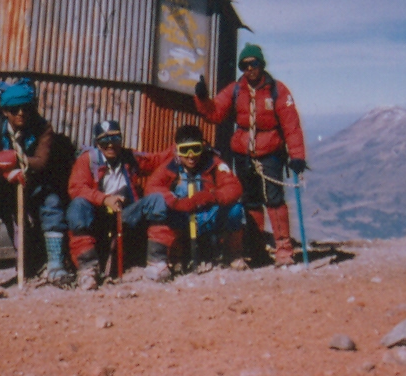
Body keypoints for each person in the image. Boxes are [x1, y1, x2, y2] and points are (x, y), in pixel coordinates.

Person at [193, 43, 308, 267]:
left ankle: (284, 250)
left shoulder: (278, 90)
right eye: (244, 65)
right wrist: (202, 99)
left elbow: (291, 125)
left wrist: (297, 156)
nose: (249, 69)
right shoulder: (236, 90)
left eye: (253, 63)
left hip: (270, 153)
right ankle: (257, 251)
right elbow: (215, 112)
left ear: (261, 64)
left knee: (274, 200)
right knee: (250, 201)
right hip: (243, 155)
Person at [0, 80, 69, 300]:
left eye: (26, 108)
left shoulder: (43, 128)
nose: (21, 113)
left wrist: (16, 160)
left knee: (52, 204)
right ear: (5, 111)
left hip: (32, 182)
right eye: (14, 110)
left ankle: (56, 266)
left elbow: (41, 162)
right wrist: (2, 170)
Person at [66, 120, 173, 290]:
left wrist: (181, 145)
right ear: (97, 143)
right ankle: (87, 270)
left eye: (115, 139)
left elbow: (155, 160)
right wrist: (104, 199)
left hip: (125, 214)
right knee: (77, 207)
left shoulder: (129, 157)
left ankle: (157, 263)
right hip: (97, 216)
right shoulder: (87, 160)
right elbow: (76, 188)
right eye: (104, 141)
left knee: (156, 200)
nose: (110, 145)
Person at [144, 125, 246, 279]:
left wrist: (213, 196)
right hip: (182, 218)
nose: (191, 156)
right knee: (159, 212)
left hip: (206, 216)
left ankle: (233, 254)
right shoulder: (171, 165)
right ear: (177, 150)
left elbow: (233, 186)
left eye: (195, 149)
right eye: (185, 150)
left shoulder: (213, 163)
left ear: (202, 147)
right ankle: (169, 258)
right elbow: (152, 187)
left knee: (236, 210)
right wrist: (175, 202)